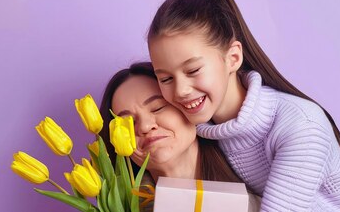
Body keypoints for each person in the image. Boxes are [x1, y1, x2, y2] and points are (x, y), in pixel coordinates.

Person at [146, 0, 340, 210]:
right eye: (165, 79)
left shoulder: (300, 125)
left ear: (233, 58)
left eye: (193, 70)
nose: (181, 91)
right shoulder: (203, 131)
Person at [98, 62, 260, 211]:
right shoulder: (118, 207)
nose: (145, 126)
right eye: (128, 122)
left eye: (158, 107)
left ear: (192, 106)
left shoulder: (264, 191)